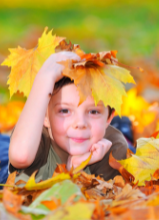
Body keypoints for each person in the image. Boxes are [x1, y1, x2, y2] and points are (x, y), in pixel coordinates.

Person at [9, 52, 128, 183]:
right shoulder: (35, 139)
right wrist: (45, 76)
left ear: (108, 118)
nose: (80, 123)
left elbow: (99, 200)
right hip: (4, 163)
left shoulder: (112, 150)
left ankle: (124, 128)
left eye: (93, 112)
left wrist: (77, 169)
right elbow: (21, 157)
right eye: (65, 110)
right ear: (44, 116)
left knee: (128, 145)